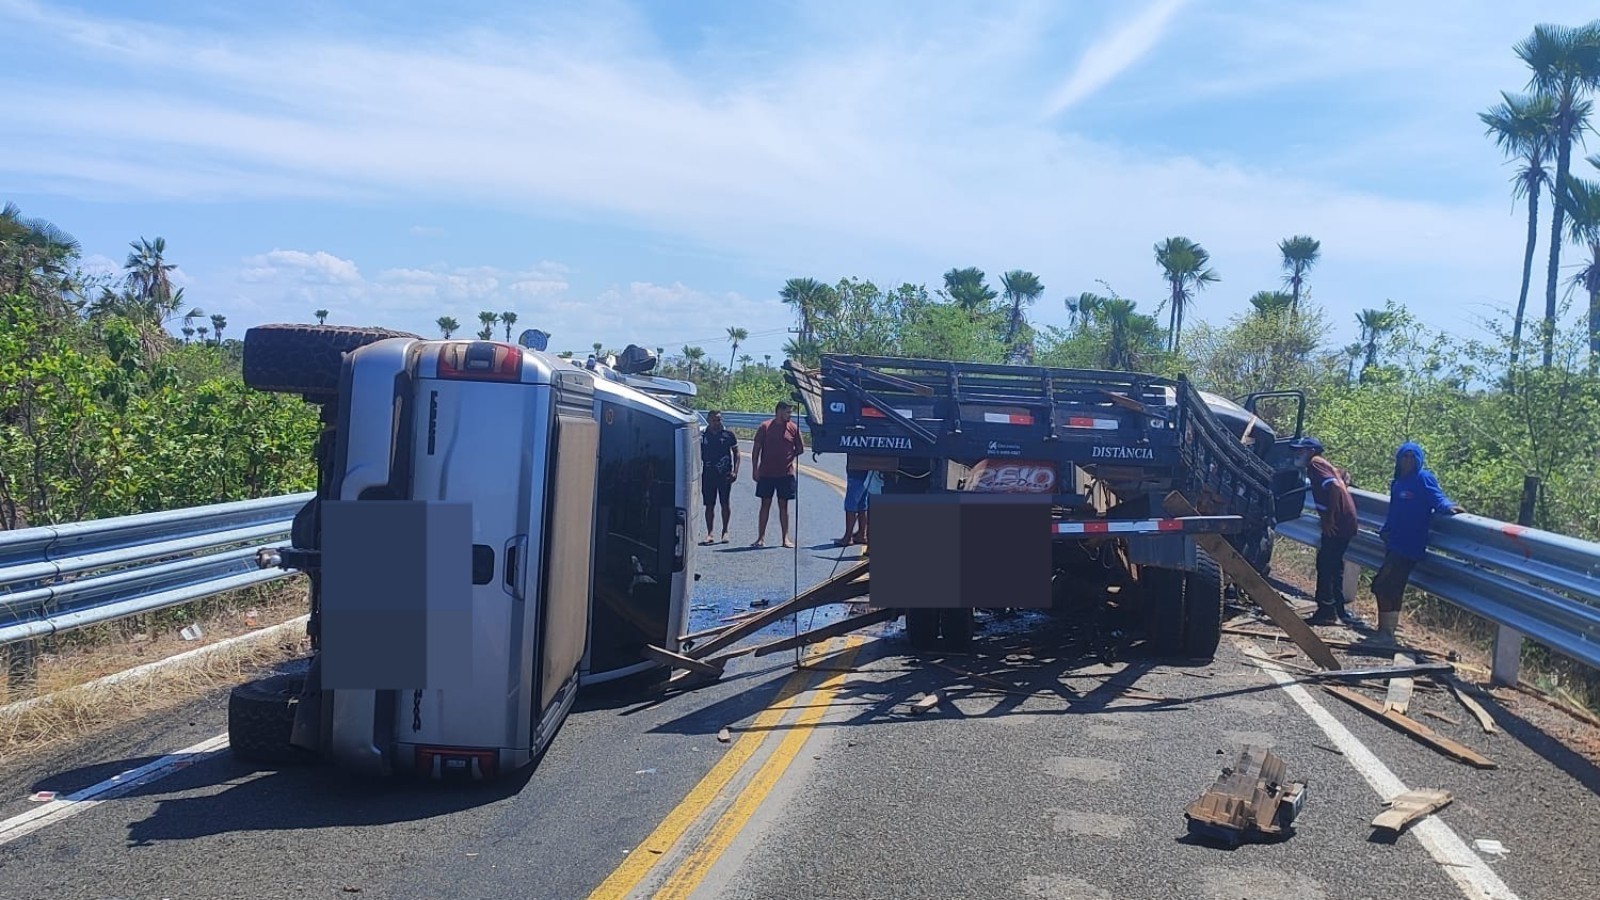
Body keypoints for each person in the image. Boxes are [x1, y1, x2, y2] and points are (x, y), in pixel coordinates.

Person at [1372, 441, 1465, 641]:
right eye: (1404, 457)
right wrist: (1385, 531)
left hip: (1409, 544)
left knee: (1381, 585)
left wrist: (1449, 507)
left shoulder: (1423, 478)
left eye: (1412, 457)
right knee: (1393, 587)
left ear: (1418, 460)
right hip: (1393, 541)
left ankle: (1385, 633)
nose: (1408, 461)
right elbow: (1394, 510)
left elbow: (1437, 498)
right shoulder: (1397, 482)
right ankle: (1387, 631)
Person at [1289, 437, 1364, 629]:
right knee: (1334, 564)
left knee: (1325, 564)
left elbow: (1335, 486)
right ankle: (1338, 609)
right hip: (1346, 521)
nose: (1298, 453)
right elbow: (1342, 477)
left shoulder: (1315, 464)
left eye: (1302, 450)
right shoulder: (1324, 464)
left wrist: (1328, 517)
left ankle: (1326, 611)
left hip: (1337, 522)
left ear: (1312, 451)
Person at [751, 401, 805, 548]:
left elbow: (800, 448)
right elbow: (756, 449)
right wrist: (754, 469)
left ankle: (785, 538)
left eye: (791, 412)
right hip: (767, 473)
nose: (790, 415)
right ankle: (760, 538)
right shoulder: (765, 427)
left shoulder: (793, 428)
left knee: (784, 506)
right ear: (779, 411)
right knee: (765, 505)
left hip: (786, 474)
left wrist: (790, 456)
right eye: (788, 412)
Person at [698, 410, 740, 545]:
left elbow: (737, 453)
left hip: (725, 474)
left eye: (719, 420)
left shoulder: (728, 435)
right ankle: (710, 533)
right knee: (709, 505)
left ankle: (725, 531)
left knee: (725, 503)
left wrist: (735, 472)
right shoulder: (703, 435)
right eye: (714, 420)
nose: (717, 422)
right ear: (708, 420)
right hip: (708, 473)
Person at [837, 463, 878, 548]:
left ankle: (848, 537)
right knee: (862, 503)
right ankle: (861, 534)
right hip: (868, 472)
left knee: (851, 503)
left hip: (857, 471)